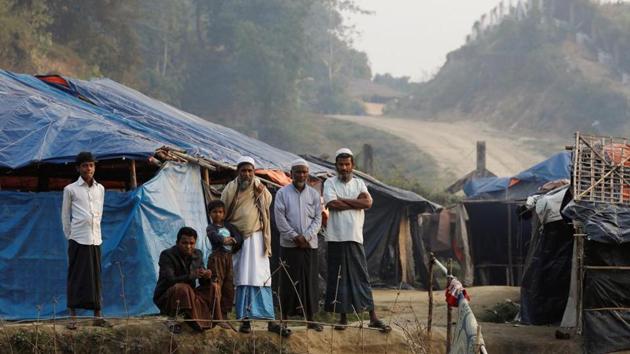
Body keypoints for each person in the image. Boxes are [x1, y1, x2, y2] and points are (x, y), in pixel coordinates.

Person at [323, 148, 391, 333]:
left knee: (361, 275)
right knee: (338, 276)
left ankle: (372, 317)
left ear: (352, 165)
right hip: (336, 237)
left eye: (347, 164)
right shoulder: (329, 182)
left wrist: (343, 200)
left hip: (354, 237)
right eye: (340, 164)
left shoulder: (360, 183)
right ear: (336, 166)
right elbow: (332, 204)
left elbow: (368, 203)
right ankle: (342, 317)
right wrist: (355, 202)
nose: (344, 168)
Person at [221, 156, 289, 336]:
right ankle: (245, 320)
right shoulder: (230, 188)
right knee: (242, 278)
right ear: (238, 172)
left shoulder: (259, 186)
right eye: (243, 171)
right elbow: (223, 211)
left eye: (250, 171)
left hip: (258, 238)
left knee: (262, 277)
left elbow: (267, 204)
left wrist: (260, 191)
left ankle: (269, 320)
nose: (247, 174)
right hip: (238, 240)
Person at [61, 151, 110, 329]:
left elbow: (100, 213)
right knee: (76, 276)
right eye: (84, 165)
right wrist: (71, 236)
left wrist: (95, 230)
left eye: (91, 165)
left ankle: (97, 315)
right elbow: (65, 217)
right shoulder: (70, 189)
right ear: (78, 168)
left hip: (95, 239)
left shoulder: (100, 189)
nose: (88, 168)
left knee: (95, 277)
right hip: (78, 239)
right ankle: (72, 317)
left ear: (94, 167)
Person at [274, 159, 323, 331]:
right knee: (287, 281)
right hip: (289, 245)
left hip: (309, 245)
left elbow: (318, 219)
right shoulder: (282, 193)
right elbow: (279, 219)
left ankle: (310, 320)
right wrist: (295, 237)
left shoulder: (314, 195)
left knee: (309, 281)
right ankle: (284, 319)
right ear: (291, 174)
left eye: (304, 172)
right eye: (298, 172)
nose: (301, 175)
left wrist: (307, 237)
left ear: (308, 174)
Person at [153, 227, 222, 333]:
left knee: (213, 286)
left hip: (189, 294)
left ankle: (214, 318)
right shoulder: (167, 255)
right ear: (177, 242)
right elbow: (170, 280)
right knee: (182, 288)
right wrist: (191, 276)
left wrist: (206, 276)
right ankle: (173, 319)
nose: (188, 246)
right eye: (184, 243)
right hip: (167, 297)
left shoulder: (197, 254)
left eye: (192, 243)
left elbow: (202, 281)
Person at [206, 199, 243, 325]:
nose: (218, 215)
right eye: (215, 212)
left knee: (228, 286)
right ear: (210, 214)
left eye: (220, 212)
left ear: (224, 213)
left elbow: (238, 236)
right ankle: (216, 316)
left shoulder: (229, 226)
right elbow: (213, 236)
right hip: (217, 258)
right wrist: (223, 240)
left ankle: (225, 314)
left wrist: (234, 240)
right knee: (217, 285)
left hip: (228, 258)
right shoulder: (210, 227)